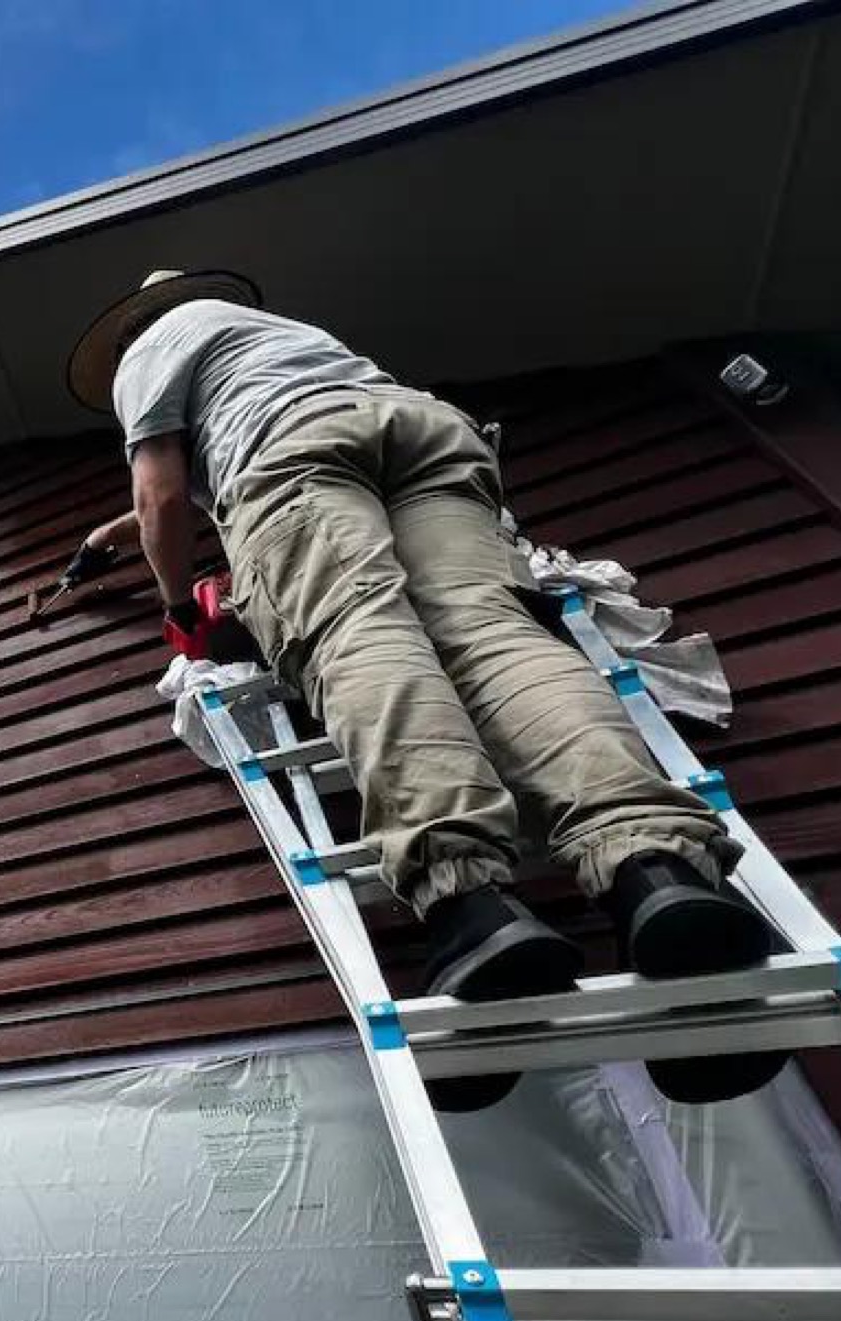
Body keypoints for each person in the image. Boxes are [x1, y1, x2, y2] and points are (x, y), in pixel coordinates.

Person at [68, 269, 781, 1108]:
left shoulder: (147, 351)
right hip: (426, 436)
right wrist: (109, 537)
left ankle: (472, 905)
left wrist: (177, 603)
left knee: (359, 633)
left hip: (296, 463)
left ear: (133, 328)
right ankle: (655, 870)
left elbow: (160, 491)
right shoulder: (276, 336)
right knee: (496, 634)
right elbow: (223, 462)